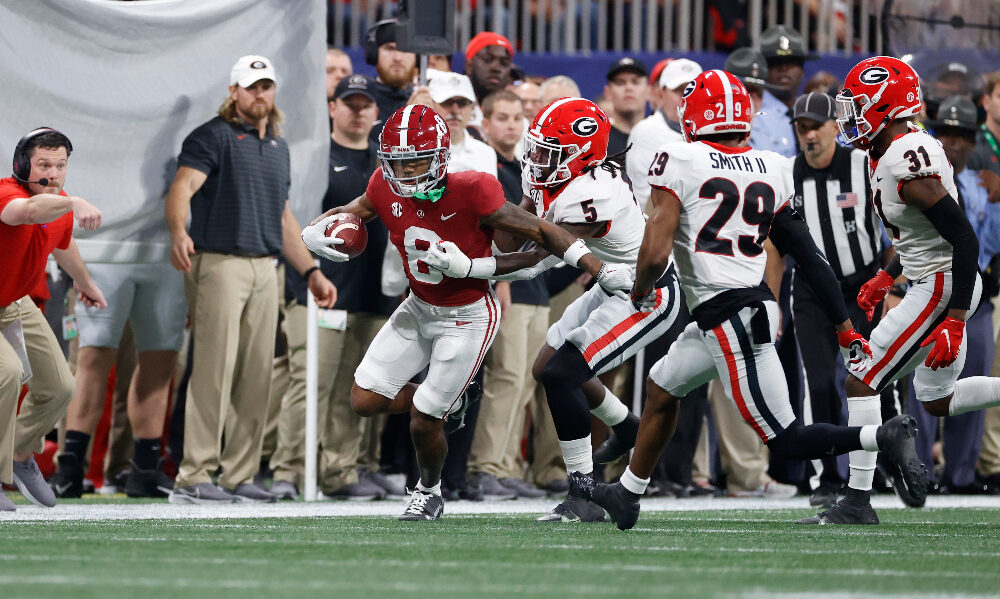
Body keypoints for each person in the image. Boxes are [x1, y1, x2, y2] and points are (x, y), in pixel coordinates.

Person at [584, 70, 922, 530]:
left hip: (730, 318)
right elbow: (810, 255)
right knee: (664, 386)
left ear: (693, 116)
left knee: (786, 440)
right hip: (737, 311)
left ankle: (882, 437)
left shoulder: (679, 158)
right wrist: (844, 327)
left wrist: (641, 291)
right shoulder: (775, 166)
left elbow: (656, 251)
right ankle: (628, 493)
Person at [301, 104, 633, 521]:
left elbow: (541, 233)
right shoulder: (383, 186)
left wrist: (597, 267)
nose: (404, 174)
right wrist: (312, 231)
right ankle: (455, 402)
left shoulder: (475, 188)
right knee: (364, 400)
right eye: (397, 164)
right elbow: (354, 211)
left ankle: (429, 492)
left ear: (440, 156)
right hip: (418, 306)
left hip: (467, 315)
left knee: (424, 419)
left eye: (416, 162)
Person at [424, 97, 683, 522]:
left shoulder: (591, 194)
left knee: (564, 373)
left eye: (550, 152)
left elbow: (530, 261)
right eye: (538, 148)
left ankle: (582, 492)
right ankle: (626, 426)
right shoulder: (566, 181)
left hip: (645, 293)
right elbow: (510, 241)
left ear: (582, 155)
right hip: (612, 281)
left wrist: (469, 268)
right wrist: (526, 198)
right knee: (547, 369)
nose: (538, 160)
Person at [826, 56, 1000, 523]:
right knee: (935, 398)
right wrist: (889, 275)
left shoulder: (904, 159)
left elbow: (964, 237)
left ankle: (857, 499)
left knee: (861, 378)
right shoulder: (900, 147)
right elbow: (928, 232)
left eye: (859, 106)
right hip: (937, 278)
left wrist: (956, 323)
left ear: (887, 105)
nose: (850, 117)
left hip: (944, 284)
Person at [165, 55, 336, 504]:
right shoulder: (212, 136)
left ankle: (239, 475)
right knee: (213, 370)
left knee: (259, 374)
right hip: (219, 263)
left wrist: (311, 270)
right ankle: (193, 476)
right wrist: (178, 231)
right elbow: (182, 187)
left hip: (267, 268)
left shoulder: (278, 146)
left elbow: (282, 219)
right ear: (234, 92)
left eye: (266, 86)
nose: (260, 94)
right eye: (251, 87)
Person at [268, 74, 399, 501]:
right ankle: (288, 471)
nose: (358, 111)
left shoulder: (390, 162)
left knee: (360, 388)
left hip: (374, 292)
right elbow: (291, 222)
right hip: (323, 289)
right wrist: (304, 274)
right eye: (350, 103)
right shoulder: (314, 157)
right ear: (332, 108)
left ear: (376, 113)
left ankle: (340, 471)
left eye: (365, 105)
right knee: (310, 383)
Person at [788, 92, 901, 507]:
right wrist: (768, 296)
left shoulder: (863, 167)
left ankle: (890, 465)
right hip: (813, 292)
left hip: (864, 286)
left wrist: (894, 286)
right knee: (819, 383)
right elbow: (770, 246)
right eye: (802, 127)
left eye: (817, 125)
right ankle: (830, 477)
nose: (810, 134)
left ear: (836, 127)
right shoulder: (788, 174)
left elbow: (896, 231)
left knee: (874, 379)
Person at [0, 127, 107, 510]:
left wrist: (86, 284)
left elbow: (63, 246)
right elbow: (22, 213)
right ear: (21, 164)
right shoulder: (8, 192)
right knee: (7, 373)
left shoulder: (57, 204)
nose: (52, 173)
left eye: (59, 165)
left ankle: (18, 456)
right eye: (44, 164)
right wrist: (73, 201)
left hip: (14, 301)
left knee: (61, 385)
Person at [911, 95, 1000, 493]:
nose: (954, 143)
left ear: (974, 139)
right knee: (925, 388)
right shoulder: (917, 182)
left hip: (975, 299)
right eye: (945, 133)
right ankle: (919, 473)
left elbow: (993, 242)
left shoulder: (982, 188)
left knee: (975, 380)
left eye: (963, 134)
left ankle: (962, 475)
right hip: (928, 294)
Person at [466, 90, 549, 499]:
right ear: (484, 120)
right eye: (502, 117)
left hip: (534, 286)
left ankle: (507, 464)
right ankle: (484, 466)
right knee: (506, 376)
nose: (513, 124)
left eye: (518, 117)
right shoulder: (485, 168)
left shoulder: (525, 166)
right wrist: (498, 281)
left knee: (524, 383)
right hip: (509, 285)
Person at [627, 58, 701, 209]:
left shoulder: (712, 132)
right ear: (660, 95)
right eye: (679, 91)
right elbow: (646, 205)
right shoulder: (646, 132)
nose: (686, 99)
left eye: (692, 91)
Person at [752, 25, 817, 157]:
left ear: (802, 69)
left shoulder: (816, 113)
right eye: (775, 62)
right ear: (763, 69)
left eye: (791, 61)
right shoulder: (752, 115)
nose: (784, 68)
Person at [427, 71, 497, 176]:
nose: (455, 110)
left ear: (472, 108)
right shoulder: (417, 152)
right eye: (447, 102)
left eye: (462, 103)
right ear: (430, 105)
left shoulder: (486, 153)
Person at [364, 19, 417, 141]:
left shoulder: (429, 102)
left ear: (417, 58)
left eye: (405, 49)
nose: (397, 57)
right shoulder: (359, 99)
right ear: (375, 54)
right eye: (389, 48)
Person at [603, 57, 649, 157]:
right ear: (608, 92)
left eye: (635, 82)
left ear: (649, 91)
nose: (629, 88)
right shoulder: (599, 140)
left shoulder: (661, 136)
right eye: (620, 83)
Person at [464, 31, 515, 105]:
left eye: (504, 63)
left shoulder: (516, 112)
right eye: (487, 59)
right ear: (469, 66)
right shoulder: (452, 108)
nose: (496, 68)